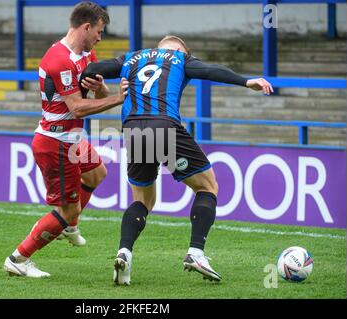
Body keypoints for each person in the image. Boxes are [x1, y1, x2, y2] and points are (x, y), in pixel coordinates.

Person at [81, 35, 273, 285]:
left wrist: (86, 84)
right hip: (165, 125)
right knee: (207, 186)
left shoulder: (132, 58)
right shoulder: (181, 59)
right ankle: (196, 253)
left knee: (143, 200)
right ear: (181, 50)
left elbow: (94, 69)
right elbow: (211, 71)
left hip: (133, 129)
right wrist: (247, 82)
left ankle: (124, 252)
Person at [3, 1, 129, 278]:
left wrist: (102, 89)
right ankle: (19, 258)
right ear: (86, 27)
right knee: (68, 208)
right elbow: (76, 107)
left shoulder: (86, 55)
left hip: (73, 138)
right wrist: (117, 99)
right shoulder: (59, 59)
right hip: (55, 143)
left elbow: (93, 95)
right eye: (99, 30)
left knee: (97, 173)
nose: (100, 36)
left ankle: (70, 224)